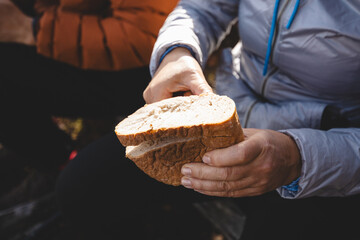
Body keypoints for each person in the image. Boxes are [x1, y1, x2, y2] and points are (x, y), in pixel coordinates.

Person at [56, 0, 360, 239]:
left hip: (325, 165)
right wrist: (177, 51)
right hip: (226, 119)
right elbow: (205, 6)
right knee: (82, 188)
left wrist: (298, 158)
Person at [0, 0, 178, 210]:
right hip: (79, 30)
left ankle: (59, 162)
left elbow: (142, 35)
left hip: (146, 69)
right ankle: (47, 148)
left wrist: (31, 29)